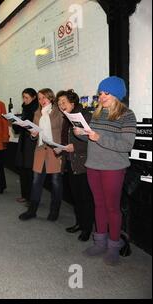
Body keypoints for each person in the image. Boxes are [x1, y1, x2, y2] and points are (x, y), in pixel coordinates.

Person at [75, 76, 136, 265]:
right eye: (100, 93)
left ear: (116, 94)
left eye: (106, 93)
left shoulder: (127, 115)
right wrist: (82, 135)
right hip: (93, 165)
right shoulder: (96, 113)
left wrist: (98, 137)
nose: (101, 96)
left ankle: (113, 247)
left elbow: (126, 145)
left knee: (112, 209)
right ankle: (100, 242)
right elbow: (92, 139)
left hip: (113, 168)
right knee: (99, 205)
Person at [54, 89, 94, 241]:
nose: (60, 106)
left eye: (63, 102)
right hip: (71, 163)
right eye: (58, 104)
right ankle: (79, 223)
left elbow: (93, 141)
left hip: (84, 164)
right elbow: (68, 141)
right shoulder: (67, 119)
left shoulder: (86, 116)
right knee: (76, 197)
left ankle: (87, 228)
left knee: (86, 198)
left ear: (72, 102)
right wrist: (62, 148)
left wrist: (74, 147)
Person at [19, 88, 64, 221]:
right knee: (36, 181)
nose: (42, 101)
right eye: (39, 98)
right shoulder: (37, 113)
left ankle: (54, 211)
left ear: (51, 98)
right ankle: (32, 211)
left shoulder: (59, 113)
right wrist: (33, 135)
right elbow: (35, 135)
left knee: (56, 182)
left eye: (44, 97)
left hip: (55, 151)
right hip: (40, 151)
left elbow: (63, 133)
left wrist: (62, 151)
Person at [12, 88, 38, 204]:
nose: (24, 100)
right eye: (23, 97)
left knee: (30, 171)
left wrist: (24, 124)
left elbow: (36, 127)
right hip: (23, 141)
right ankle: (25, 195)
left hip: (32, 143)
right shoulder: (25, 108)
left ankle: (31, 198)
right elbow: (19, 129)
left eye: (27, 97)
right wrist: (15, 123)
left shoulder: (36, 109)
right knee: (23, 170)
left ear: (33, 97)